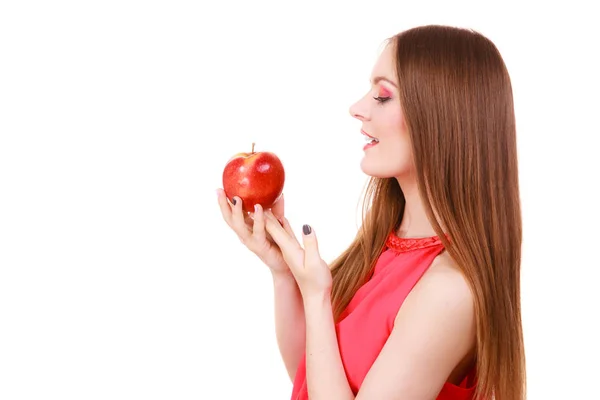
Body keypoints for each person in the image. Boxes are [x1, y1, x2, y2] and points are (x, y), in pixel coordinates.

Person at [216, 24, 526, 400]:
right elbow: (310, 376)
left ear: (441, 117)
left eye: (382, 96)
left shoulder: (449, 291)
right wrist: (283, 274)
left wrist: (316, 296)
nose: (357, 108)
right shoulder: (383, 245)